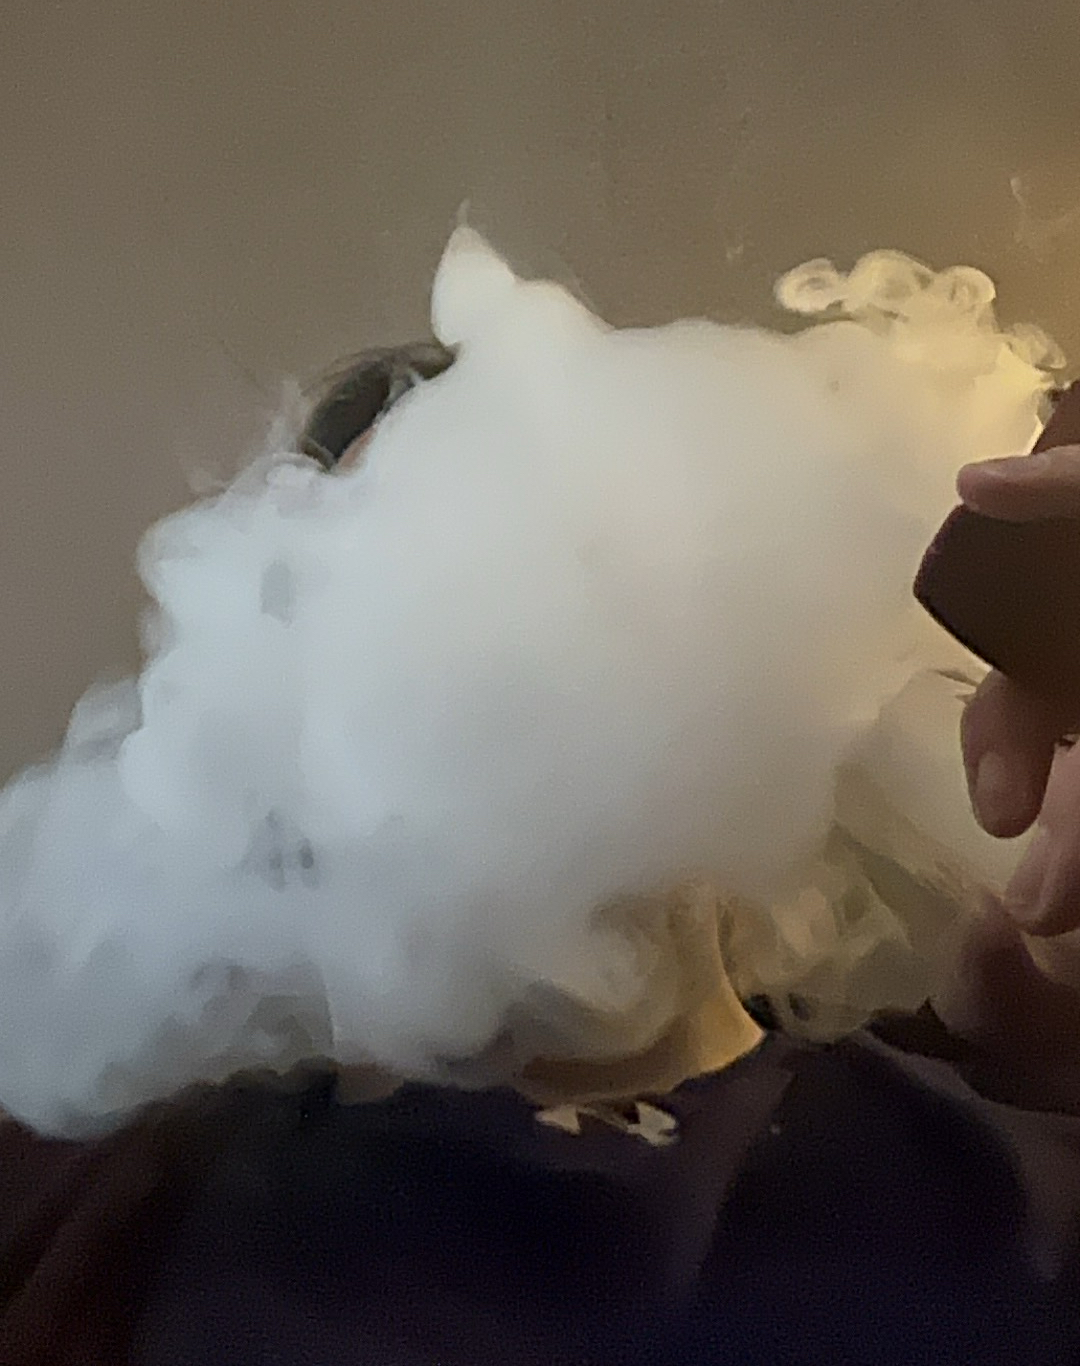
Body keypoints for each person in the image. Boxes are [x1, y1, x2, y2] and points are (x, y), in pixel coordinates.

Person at [4, 354, 1080, 1366]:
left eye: (560, 572)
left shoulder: (1000, 1195)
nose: (485, 663)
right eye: (387, 597)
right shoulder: (108, 1192)